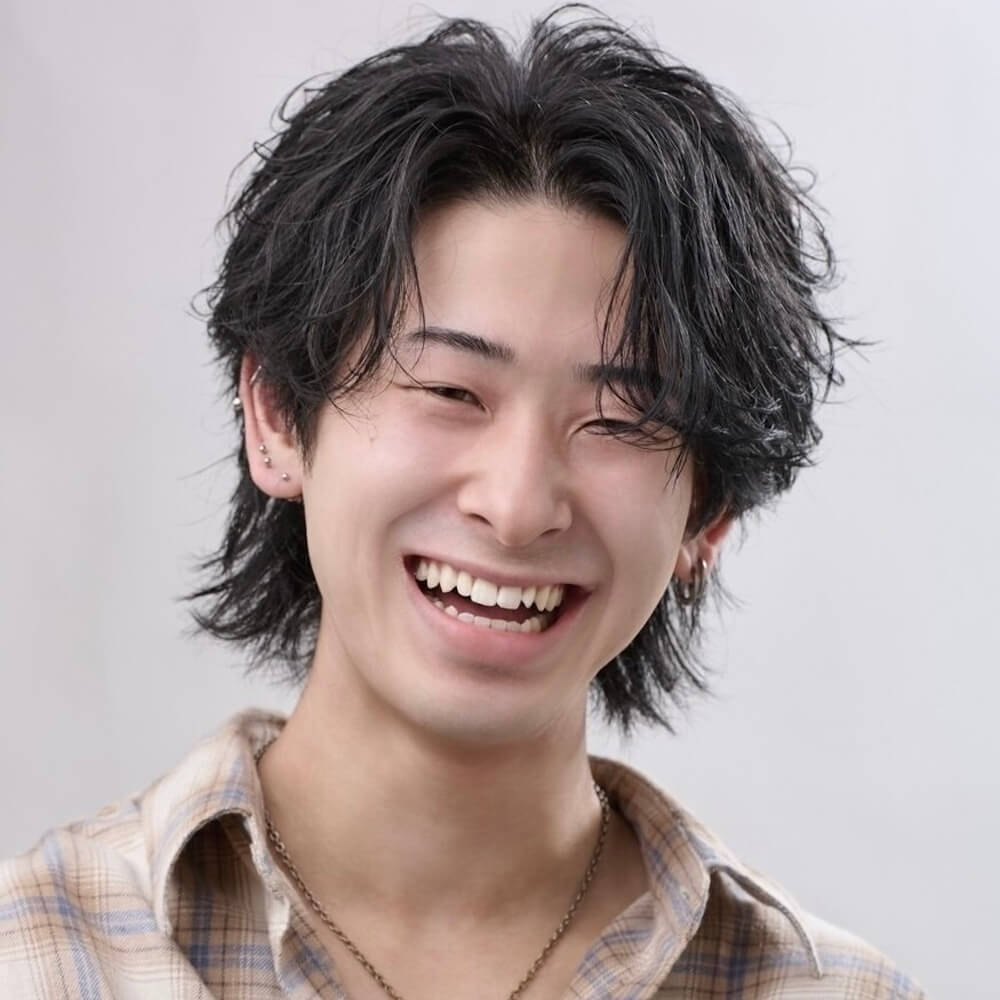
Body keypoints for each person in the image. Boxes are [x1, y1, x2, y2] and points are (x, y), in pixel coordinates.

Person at [0, 7, 926, 998]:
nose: (518, 505)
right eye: (449, 390)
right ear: (275, 416)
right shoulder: (42, 957)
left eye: (616, 421)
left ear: (709, 514)